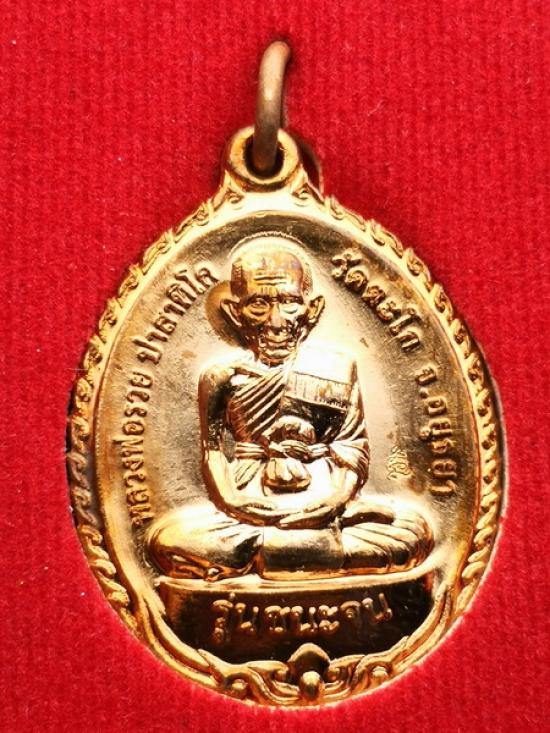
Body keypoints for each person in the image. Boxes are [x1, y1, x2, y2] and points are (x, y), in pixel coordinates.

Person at [148, 233, 432, 580]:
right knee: (169, 541)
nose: (276, 321)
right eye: (258, 304)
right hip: (250, 503)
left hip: (323, 497)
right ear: (235, 312)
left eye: (289, 302)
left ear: (313, 309)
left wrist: (335, 502)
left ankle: (270, 555)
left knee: (412, 533)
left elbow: (352, 446)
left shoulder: (338, 366)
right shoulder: (220, 377)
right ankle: (307, 556)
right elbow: (213, 451)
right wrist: (235, 503)